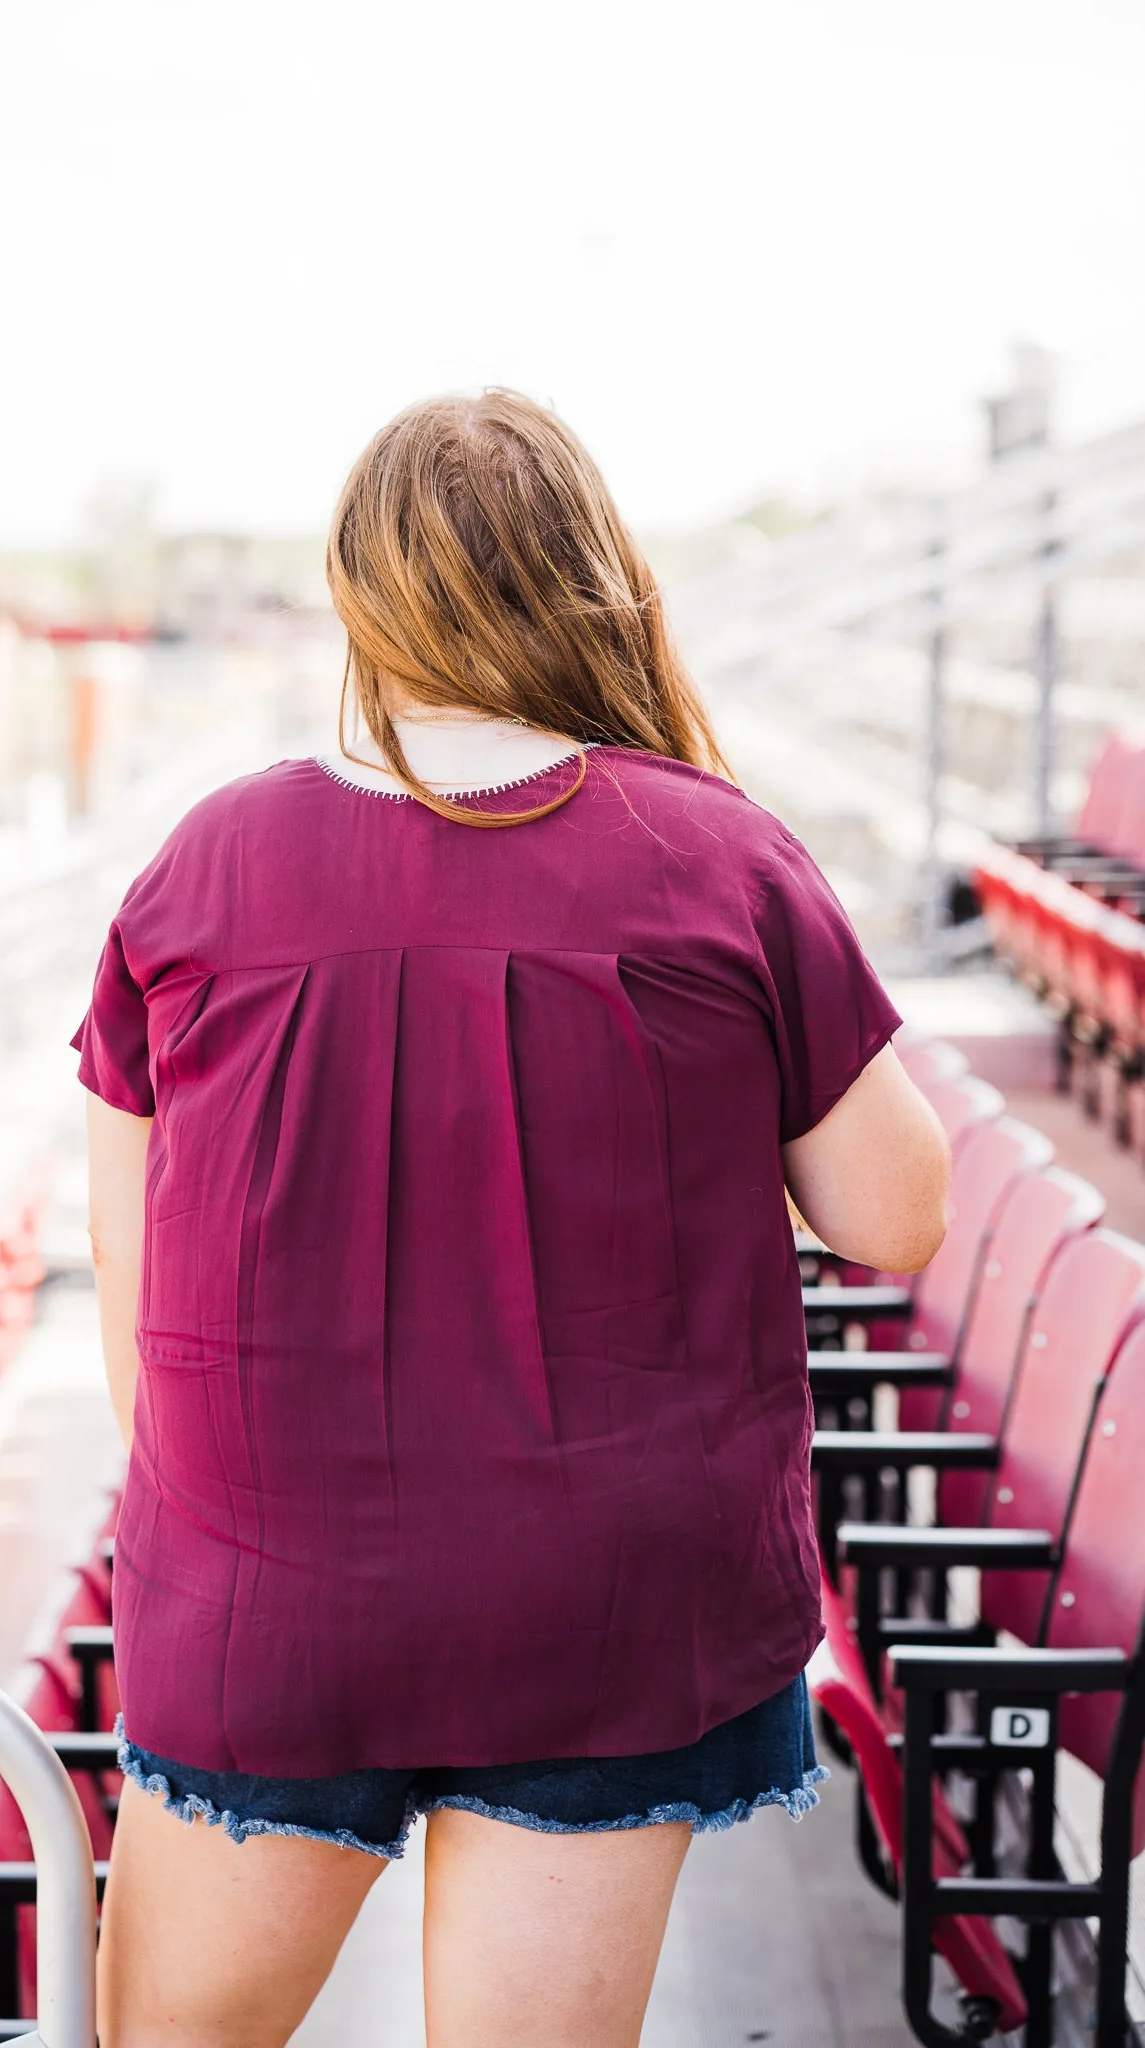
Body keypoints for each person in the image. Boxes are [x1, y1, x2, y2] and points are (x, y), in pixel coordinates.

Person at [75, 389, 949, 2048]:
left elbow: (135, 1293)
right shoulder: (715, 856)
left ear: (360, 593)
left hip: (276, 1594)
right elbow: (894, 1216)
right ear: (602, 584)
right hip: (611, 1604)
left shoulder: (206, 863)